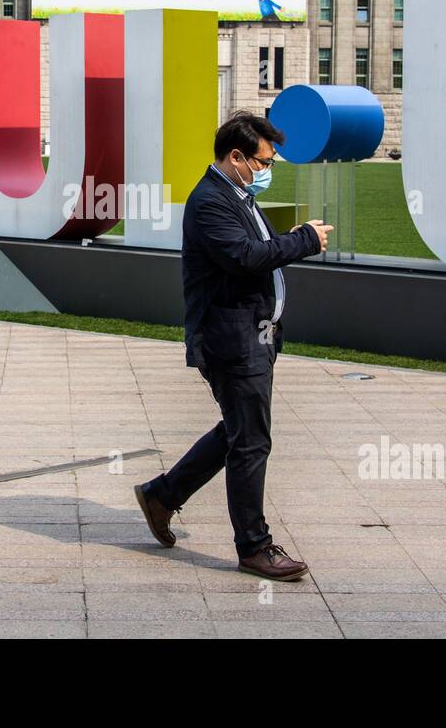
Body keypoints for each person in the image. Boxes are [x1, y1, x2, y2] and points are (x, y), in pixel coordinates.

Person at [134, 112, 333, 581]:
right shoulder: (210, 202)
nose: (268, 170)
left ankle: (162, 495)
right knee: (251, 442)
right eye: (263, 162)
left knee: (237, 430)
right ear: (236, 156)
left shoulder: (237, 194)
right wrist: (304, 239)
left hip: (256, 336)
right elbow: (244, 257)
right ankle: (254, 546)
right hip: (232, 341)